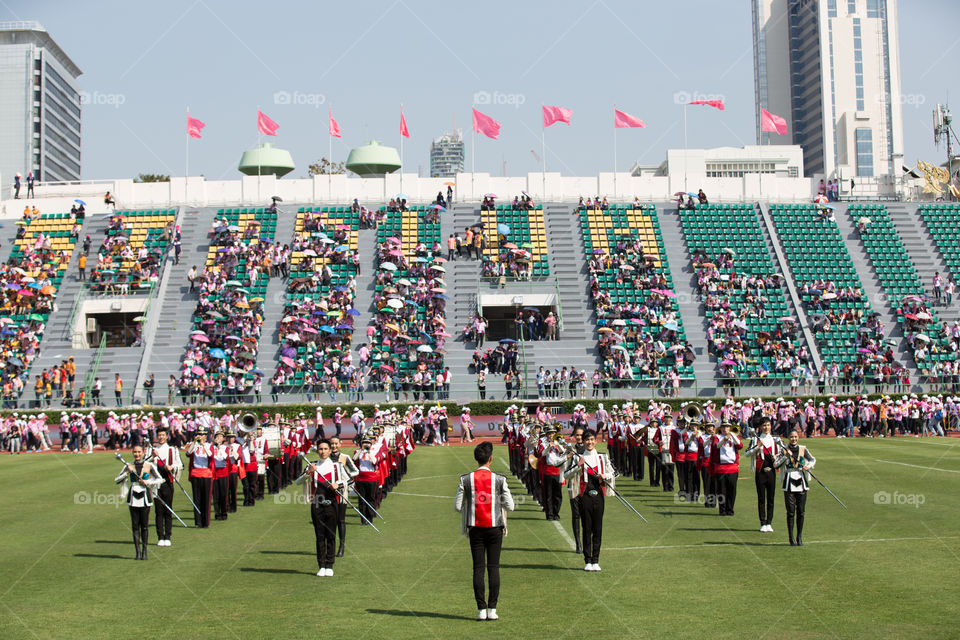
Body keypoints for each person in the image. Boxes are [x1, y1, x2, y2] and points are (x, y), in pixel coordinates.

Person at [455, 441, 515, 621]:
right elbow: (510, 506)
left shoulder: (465, 479)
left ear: (476, 459)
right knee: (493, 568)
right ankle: (493, 609)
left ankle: (481, 609)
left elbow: (458, 506)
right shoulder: (499, 479)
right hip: (495, 527)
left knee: (478, 568)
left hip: (475, 528)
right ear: (491, 459)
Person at [565, 430, 614, 572]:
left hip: (599, 495)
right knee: (586, 527)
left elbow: (615, 472)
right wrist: (578, 466)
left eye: (592, 439)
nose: (590, 442)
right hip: (584, 496)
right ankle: (587, 560)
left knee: (597, 528)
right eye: (587, 440)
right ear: (583, 441)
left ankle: (596, 560)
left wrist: (604, 475)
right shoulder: (578, 457)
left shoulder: (602, 457)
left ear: (596, 441)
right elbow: (567, 474)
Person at [299, 439, 346, 577]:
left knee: (331, 534)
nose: (323, 451)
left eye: (326, 449)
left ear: (330, 451)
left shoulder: (336, 466)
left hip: (332, 504)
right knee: (319, 535)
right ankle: (321, 565)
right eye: (320, 449)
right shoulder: (311, 465)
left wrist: (338, 484)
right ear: (317, 450)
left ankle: (330, 564)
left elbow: (349, 480)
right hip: (317, 504)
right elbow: (297, 481)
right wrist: (308, 472)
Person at [114, 445, 162, 560]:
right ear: (132, 453)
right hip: (133, 498)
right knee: (135, 526)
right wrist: (126, 473)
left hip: (145, 497)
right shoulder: (128, 465)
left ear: (143, 452)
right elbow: (117, 480)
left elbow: (160, 479)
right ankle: (137, 552)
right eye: (135, 452)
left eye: (139, 452)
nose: (137, 454)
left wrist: (148, 482)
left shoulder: (149, 465)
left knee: (144, 526)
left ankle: (145, 552)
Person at [777, 429, 816, 546]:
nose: (794, 439)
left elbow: (812, 459)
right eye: (791, 437)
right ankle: (791, 538)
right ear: (788, 438)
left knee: (801, 511)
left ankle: (799, 537)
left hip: (801, 481)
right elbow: (776, 464)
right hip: (789, 481)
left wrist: (808, 466)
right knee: (790, 512)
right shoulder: (783, 450)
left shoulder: (803, 449)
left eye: (795, 437)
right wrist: (785, 456)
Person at [744, 417, 782, 532]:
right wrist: (757, 447)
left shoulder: (775, 440)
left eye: (768, 425)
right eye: (764, 425)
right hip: (760, 472)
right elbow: (747, 453)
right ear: (760, 427)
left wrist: (777, 457)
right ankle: (762, 522)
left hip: (771, 472)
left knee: (771, 498)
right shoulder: (756, 439)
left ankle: (769, 522)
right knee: (761, 498)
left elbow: (782, 455)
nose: (766, 427)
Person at [149, 428, 182, 547]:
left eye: (163, 435)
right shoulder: (152, 450)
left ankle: (168, 536)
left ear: (167, 436)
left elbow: (180, 464)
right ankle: (160, 536)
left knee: (168, 510)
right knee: (158, 511)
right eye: (159, 435)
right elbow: (147, 465)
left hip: (168, 481)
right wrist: (152, 457)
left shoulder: (172, 450)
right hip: (156, 483)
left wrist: (171, 467)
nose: (161, 437)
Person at [329, 436, 359, 556]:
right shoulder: (326, 458)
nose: (334, 446)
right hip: (328, 491)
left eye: (336, 444)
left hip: (342, 491)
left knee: (340, 520)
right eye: (332, 444)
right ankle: (331, 546)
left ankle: (341, 546)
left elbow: (356, 471)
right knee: (330, 520)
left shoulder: (345, 457)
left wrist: (344, 477)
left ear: (340, 444)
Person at [710, 423, 742, 516]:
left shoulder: (734, 437)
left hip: (732, 467)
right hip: (721, 468)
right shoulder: (717, 437)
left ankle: (730, 509)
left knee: (732, 490)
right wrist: (724, 439)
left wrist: (732, 435)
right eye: (723, 427)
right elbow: (716, 446)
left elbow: (740, 446)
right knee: (721, 490)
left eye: (727, 427)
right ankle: (722, 510)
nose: (725, 429)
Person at [564, 427, 586, 553]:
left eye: (581, 435)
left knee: (586, 517)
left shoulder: (590, 451)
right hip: (574, 486)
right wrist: (577, 467)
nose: (578, 437)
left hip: (587, 486)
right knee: (576, 516)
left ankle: (586, 542)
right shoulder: (571, 451)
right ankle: (578, 543)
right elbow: (565, 474)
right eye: (577, 435)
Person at [186, 431, 214, 527]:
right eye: (199, 434)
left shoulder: (209, 445)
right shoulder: (194, 445)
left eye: (202, 435)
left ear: (206, 437)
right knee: (196, 499)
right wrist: (194, 442)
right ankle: (198, 521)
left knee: (206, 498)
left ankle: (205, 521)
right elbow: (188, 453)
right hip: (196, 473)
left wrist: (203, 445)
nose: (200, 436)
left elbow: (211, 455)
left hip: (206, 473)